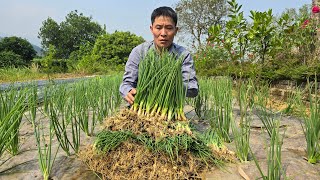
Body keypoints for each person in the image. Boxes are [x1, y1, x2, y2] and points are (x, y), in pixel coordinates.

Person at [119, 6, 198, 105]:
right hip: (141, 107)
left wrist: (166, 84)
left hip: (170, 108)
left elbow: (192, 88)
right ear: (152, 29)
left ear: (176, 30)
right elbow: (126, 84)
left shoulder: (183, 55)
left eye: (169, 28)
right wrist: (128, 91)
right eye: (158, 28)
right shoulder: (139, 52)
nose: (163, 33)